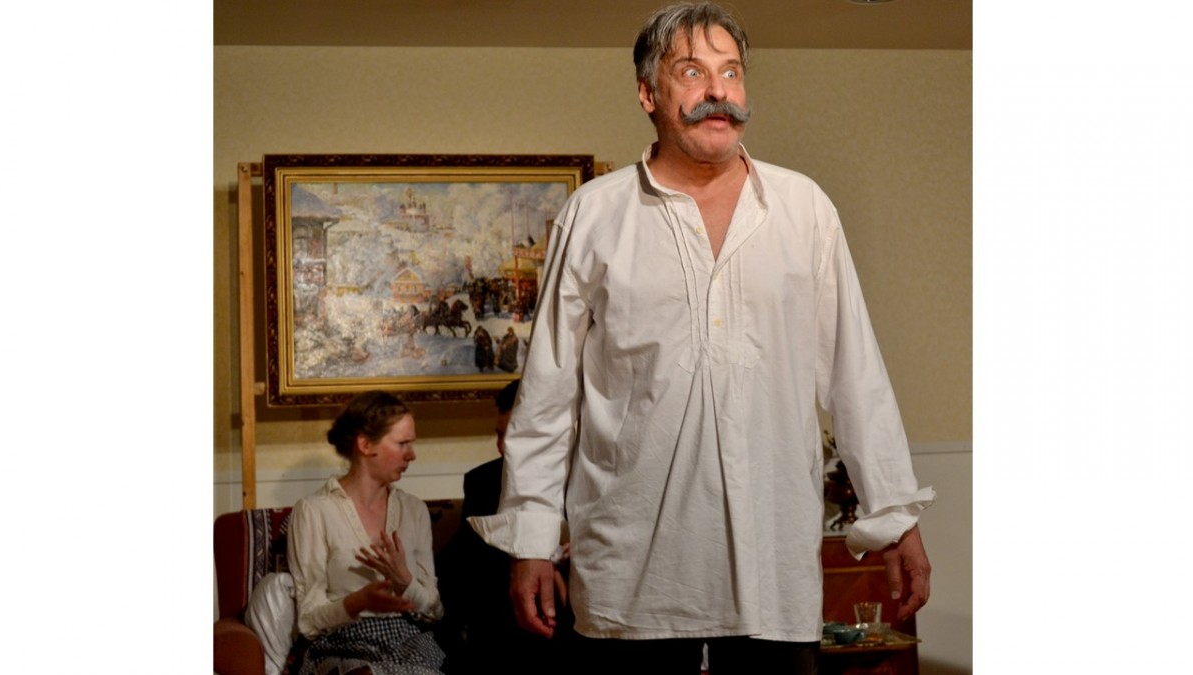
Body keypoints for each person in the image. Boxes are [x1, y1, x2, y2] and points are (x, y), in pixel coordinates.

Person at [468, 3, 935, 674]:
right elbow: (546, 394)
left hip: (772, 572)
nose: (719, 90)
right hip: (630, 575)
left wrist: (894, 515)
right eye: (692, 72)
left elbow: (853, 374)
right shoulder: (594, 215)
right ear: (647, 93)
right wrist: (532, 541)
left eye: (731, 72)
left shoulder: (804, 209)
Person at [287, 390, 447, 675]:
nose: (412, 455)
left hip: (409, 643)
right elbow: (308, 622)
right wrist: (360, 601)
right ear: (365, 444)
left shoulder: (414, 510)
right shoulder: (314, 511)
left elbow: (434, 613)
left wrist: (405, 581)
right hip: (341, 645)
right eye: (402, 443)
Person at [435, 380, 572, 674]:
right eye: (499, 435)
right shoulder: (483, 481)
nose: (502, 447)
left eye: (513, 438)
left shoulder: (587, 479)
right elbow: (466, 563)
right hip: (503, 617)